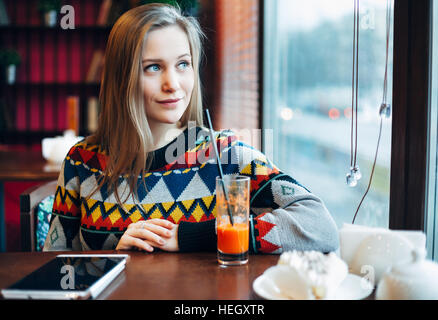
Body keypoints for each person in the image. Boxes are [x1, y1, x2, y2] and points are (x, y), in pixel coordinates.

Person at [43, 3, 339, 254]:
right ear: (123, 77)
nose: (173, 83)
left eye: (183, 64)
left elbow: (320, 226)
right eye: (153, 67)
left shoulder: (227, 155)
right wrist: (112, 258)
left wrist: (196, 236)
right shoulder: (81, 162)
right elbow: (54, 267)